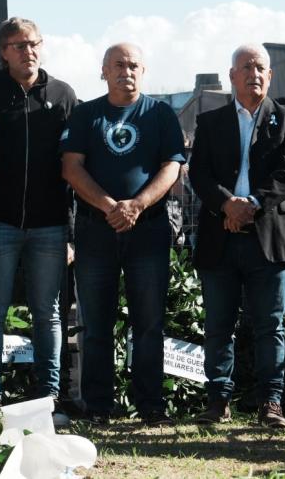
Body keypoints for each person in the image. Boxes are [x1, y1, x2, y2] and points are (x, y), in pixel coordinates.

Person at [61, 43, 184, 426]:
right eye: (118, 65)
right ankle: (99, 407)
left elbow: (172, 167)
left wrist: (136, 205)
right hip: (96, 231)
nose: (125, 72)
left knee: (148, 324)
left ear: (143, 71)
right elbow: (71, 168)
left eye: (133, 65)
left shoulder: (161, 113)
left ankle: (150, 406)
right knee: (95, 324)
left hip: (148, 230)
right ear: (103, 71)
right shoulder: (85, 114)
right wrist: (110, 206)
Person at [189, 44, 285, 430]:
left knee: (270, 324)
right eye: (246, 67)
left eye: (260, 68)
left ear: (269, 76)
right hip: (221, 234)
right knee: (219, 323)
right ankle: (217, 400)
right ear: (232, 76)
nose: (254, 73)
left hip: (269, 236)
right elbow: (199, 173)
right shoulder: (211, 121)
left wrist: (251, 204)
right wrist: (227, 206)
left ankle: (270, 403)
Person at [0, 18, 76, 426]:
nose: (27, 51)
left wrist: (70, 232)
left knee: (48, 313)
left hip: (50, 225)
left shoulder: (64, 95)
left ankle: (49, 395)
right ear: (3, 52)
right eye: (17, 46)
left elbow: (75, 168)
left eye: (32, 44)